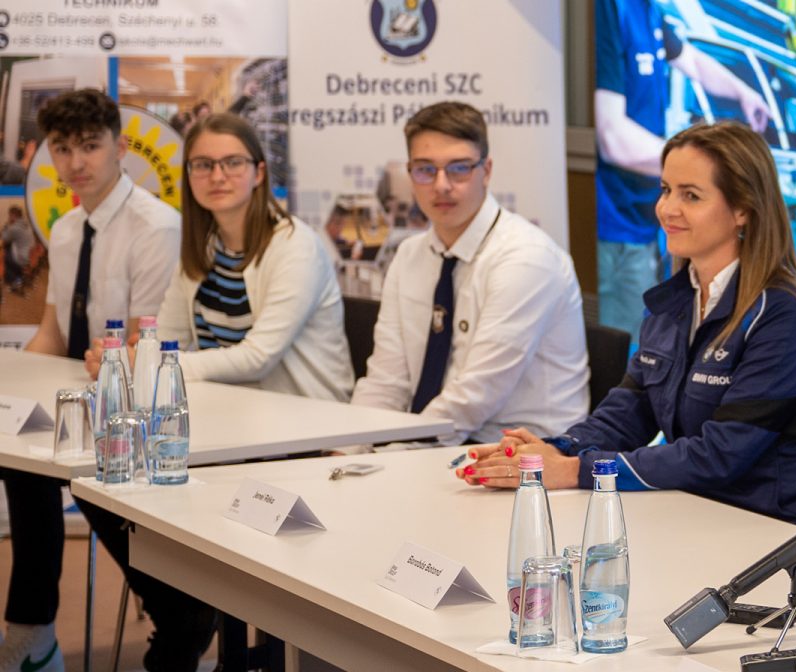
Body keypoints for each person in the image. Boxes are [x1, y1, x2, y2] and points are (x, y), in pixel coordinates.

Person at [456, 122, 796, 525]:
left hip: (779, 533)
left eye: (690, 195)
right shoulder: (674, 302)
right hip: (700, 516)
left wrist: (577, 470)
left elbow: (719, 455)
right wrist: (556, 450)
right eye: (665, 190)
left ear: (743, 210)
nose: (666, 209)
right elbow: (629, 412)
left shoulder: (785, 314)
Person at [3, 89, 183, 671]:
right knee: (16, 456)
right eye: (63, 149)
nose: (77, 162)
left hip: (138, 407)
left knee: (85, 469)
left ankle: (177, 616)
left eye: (90, 146)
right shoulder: (66, 227)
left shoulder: (155, 225)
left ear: (120, 147)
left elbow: (141, 347)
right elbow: (52, 337)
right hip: (82, 394)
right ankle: (33, 631)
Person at [350, 101, 589, 444]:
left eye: (459, 168)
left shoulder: (526, 258)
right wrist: (347, 452)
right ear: (410, 173)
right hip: (436, 444)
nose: (442, 185)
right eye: (425, 170)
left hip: (524, 457)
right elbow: (386, 381)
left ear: (486, 170)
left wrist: (397, 456)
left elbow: (476, 395)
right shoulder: (409, 255)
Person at [97, 114, 352, 400]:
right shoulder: (204, 248)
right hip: (233, 411)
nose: (217, 176)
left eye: (233, 163)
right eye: (204, 165)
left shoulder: (296, 246)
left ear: (259, 173)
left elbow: (258, 358)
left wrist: (150, 363)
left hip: (310, 421)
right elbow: (169, 337)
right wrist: (125, 358)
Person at [594, 0, 774, 338]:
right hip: (616, 230)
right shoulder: (608, 10)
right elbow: (613, 139)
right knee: (623, 352)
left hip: (645, 223)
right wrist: (709, 168)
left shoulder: (649, 12)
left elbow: (691, 60)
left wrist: (744, 93)